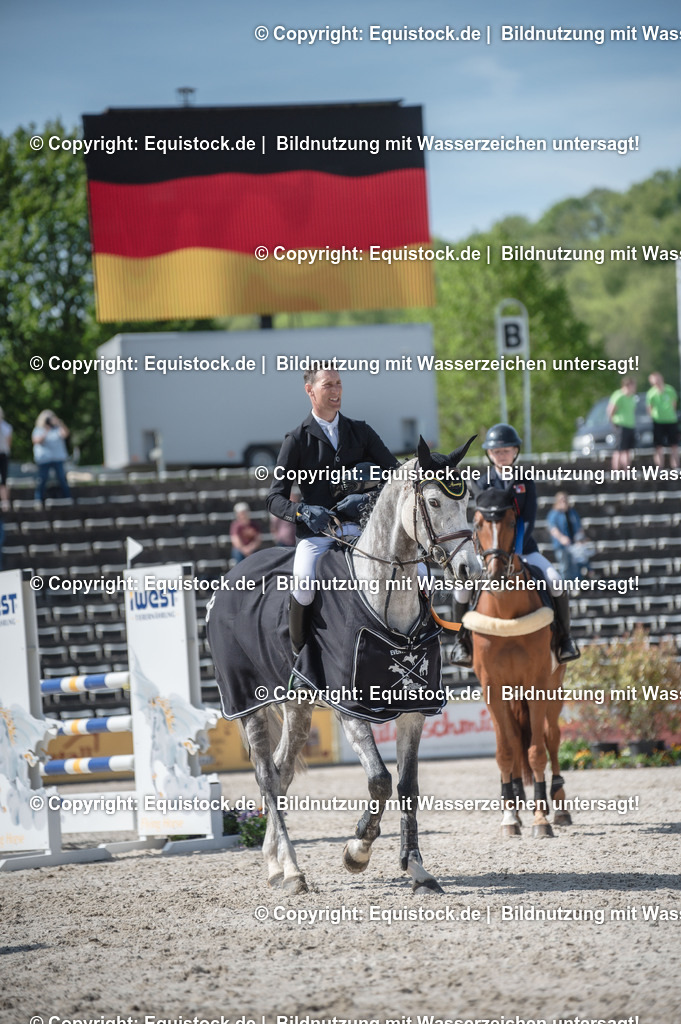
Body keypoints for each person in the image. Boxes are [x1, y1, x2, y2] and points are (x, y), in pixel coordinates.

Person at [266, 361, 399, 653]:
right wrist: (302, 512)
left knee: (417, 573)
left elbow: (396, 475)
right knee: (303, 585)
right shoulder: (296, 440)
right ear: (310, 390)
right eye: (328, 385)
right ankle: (300, 657)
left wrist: (370, 498)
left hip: (364, 530)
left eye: (338, 383)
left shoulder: (361, 431)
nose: (336, 390)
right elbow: (274, 498)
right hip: (319, 534)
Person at [450, 423, 579, 666]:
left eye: (506, 451)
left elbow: (528, 519)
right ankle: (461, 643)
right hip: (489, 552)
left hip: (523, 548)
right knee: (461, 588)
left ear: (515, 452)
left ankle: (565, 639)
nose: (501, 455)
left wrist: (515, 552)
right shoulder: (482, 483)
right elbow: (479, 521)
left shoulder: (525, 481)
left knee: (556, 582)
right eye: (496, 451)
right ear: (490, 454)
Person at [547, 491, 591, 581]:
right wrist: (561, 538)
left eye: (565, 500)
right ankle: (565, 585)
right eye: (561, 500)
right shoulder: (554, 513)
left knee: (576, 566)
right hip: (562, 546)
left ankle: (576, 585)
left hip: (574, 544)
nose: (564, 502)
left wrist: (581, 538)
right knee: (565, 567)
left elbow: (579, 527)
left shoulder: (572, 512)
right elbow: (553, 529)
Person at [32, 410, 72, 503]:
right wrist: (46, 430)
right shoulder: (38, 430)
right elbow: (36, 441)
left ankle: (67, 497)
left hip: (57, 458)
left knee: (62, 478)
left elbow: (66, 434)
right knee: (42, 479)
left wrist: (60, 423)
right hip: (44, 459)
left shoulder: (58, 428)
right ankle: (38, 499)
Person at [646, 372, 679, 469]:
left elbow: (674, 405)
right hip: (658, 422)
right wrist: (653, 417)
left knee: (674, 445)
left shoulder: (670, 390)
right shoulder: (651, 393)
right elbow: (649, 407)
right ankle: (660, 468)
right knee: (658, 446)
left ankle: (676, 467)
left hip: (671, 420)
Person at [607, 377, 637, 472]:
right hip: (620, 425)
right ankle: (616, 471)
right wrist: (614, 423)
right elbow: (611, 410)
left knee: (627, 450)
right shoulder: (619, 395)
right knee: (619, 449)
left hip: (630, 425)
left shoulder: (632, 397)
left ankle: (626, 471)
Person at [0, 406, 12, 511]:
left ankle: (5, 501)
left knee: (3, 479)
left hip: (3, 454)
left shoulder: (6, 427)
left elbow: (8, 444)